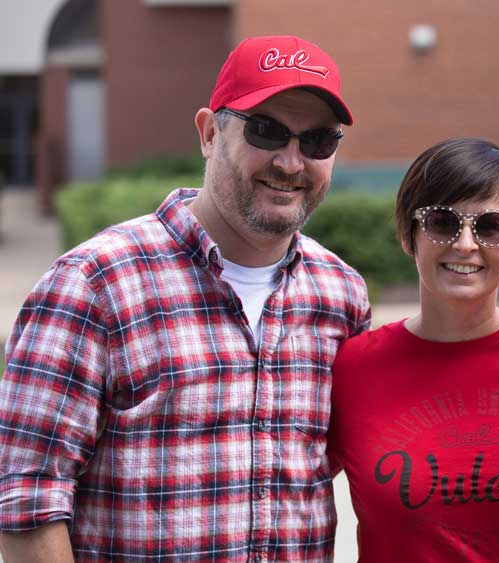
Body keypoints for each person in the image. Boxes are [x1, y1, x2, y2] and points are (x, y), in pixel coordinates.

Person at [0, 35, 370, 562]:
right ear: (208, 133)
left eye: (317, 141)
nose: (292, 163)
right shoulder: (94, 284)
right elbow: (27, 501)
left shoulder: (341, 296)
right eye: (266, 131)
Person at [328, 138, 499, 562]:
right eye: (441, 222)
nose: (465, 243)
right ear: (407, 234)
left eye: (490, 226)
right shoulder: (354, 370)